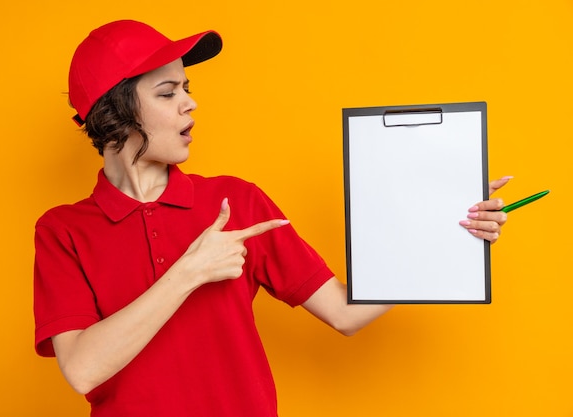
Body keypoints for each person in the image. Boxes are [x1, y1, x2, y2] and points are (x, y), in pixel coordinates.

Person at [33, 19, 509, 417]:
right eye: (166, 91)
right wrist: (190, 271)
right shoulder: (64, 230)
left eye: (187, 87)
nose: (189, 102)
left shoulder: (234, 201)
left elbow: (346, 313)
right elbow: (82, 369)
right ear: (114, 112)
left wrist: (437, 231)